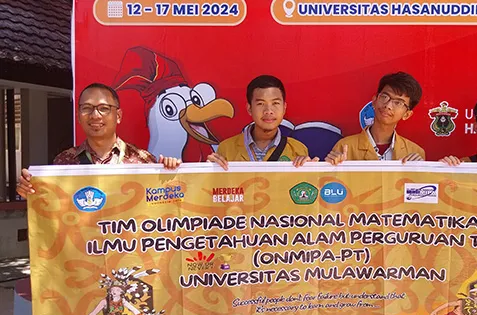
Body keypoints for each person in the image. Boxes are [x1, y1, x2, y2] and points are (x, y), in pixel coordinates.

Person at [16, 83, 180, 198]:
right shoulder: (64, 162)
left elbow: (161, 207)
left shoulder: (144, 162)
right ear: (78, 116)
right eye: (87, 108)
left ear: (118, 116)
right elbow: (53, 207)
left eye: (104, 108)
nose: (95, 115)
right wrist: (30, 190)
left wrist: (170, 174)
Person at [207, 75, 315, 169]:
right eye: (260, 104)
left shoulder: (297, 150)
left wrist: (312, 173)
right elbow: (217, 185)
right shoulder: (226, 149)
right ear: (249, 108)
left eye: (275, 103)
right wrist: (209, 172)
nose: (268, 111)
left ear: (284, 108)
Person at [325, 72, 425, 165]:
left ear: (407, 114)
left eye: (398, 102)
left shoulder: (414, 152)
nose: (388, 106)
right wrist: (334, 165)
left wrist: (419, 169)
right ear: (374, 101)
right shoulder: (345, 147)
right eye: (385, 97)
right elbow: (332, 178)